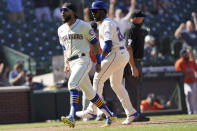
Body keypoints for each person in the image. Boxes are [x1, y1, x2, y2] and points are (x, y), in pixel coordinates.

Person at [76, 1, 138, 125]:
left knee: (97, 80)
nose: (93, 13)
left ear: (103, 11)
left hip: (115, 53)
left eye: (95, 11)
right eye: (92, 11)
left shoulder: (106, 23)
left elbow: (108, 44)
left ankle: (92, 110)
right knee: (116, 85)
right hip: (121, 54)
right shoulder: (107, 23)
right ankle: (131, 112)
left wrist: (99, 59)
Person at [57, 2, 116, 128]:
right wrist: (66, 63)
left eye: (65, 10)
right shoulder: (60, 29)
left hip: (83, 60)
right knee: (90, 94)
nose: (62, 12)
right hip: (72, 63)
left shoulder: (84, 26)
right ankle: (109, 114)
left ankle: (71, 116)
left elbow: (95, 44)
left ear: (73, 12)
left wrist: (99, 62)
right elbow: (64, 48)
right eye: (61, 10)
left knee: (72, 84)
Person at [124, 9, 150, 121]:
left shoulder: (137, 28)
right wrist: (132, 66)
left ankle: (137, 113)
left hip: (137, 61)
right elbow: (128, 48)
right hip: (132, 61)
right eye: (140, 17)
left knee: (137, 89)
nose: (143, 19)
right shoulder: (131, 28)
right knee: (133, 90)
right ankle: (133, 114)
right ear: (134, 18)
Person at [175, 49, 197, 114]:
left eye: (187, 55)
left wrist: (194, 75)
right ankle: (190, 111)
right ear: (182, 55)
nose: (186, 56)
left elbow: (196, 70)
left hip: (193, 81)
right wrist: (189, 75)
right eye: (185, 55)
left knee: (195, 97)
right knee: (189, 93)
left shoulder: (191, 61)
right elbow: (179, 73)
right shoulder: (179, 62)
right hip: (185, 82)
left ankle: (195, 111)